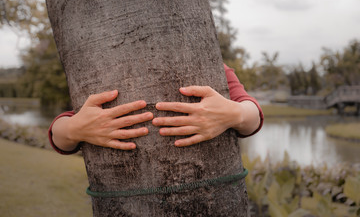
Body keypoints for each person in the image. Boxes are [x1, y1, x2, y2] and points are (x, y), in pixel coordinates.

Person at [48, 64, 264, 154]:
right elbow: (59, 133)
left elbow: (252, 113)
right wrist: (73, 130)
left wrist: (235, 114)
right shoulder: (103, 68)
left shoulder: (212, 66)